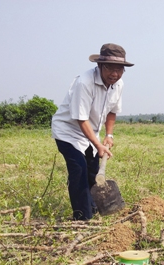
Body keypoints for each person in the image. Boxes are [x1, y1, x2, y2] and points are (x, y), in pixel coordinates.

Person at [51, 43, 134, 220]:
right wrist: (98, 145)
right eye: (110, 68)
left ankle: (94, 207)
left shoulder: (118, 85)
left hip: (91, 133)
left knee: (93, 172)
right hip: (68, 132)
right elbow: (81, 119)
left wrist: (108, 135)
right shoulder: (84, 82)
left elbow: (112, 111)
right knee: (79, 170)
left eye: (119, 69)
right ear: (99, 66)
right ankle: (82, 218)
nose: (114, 73)